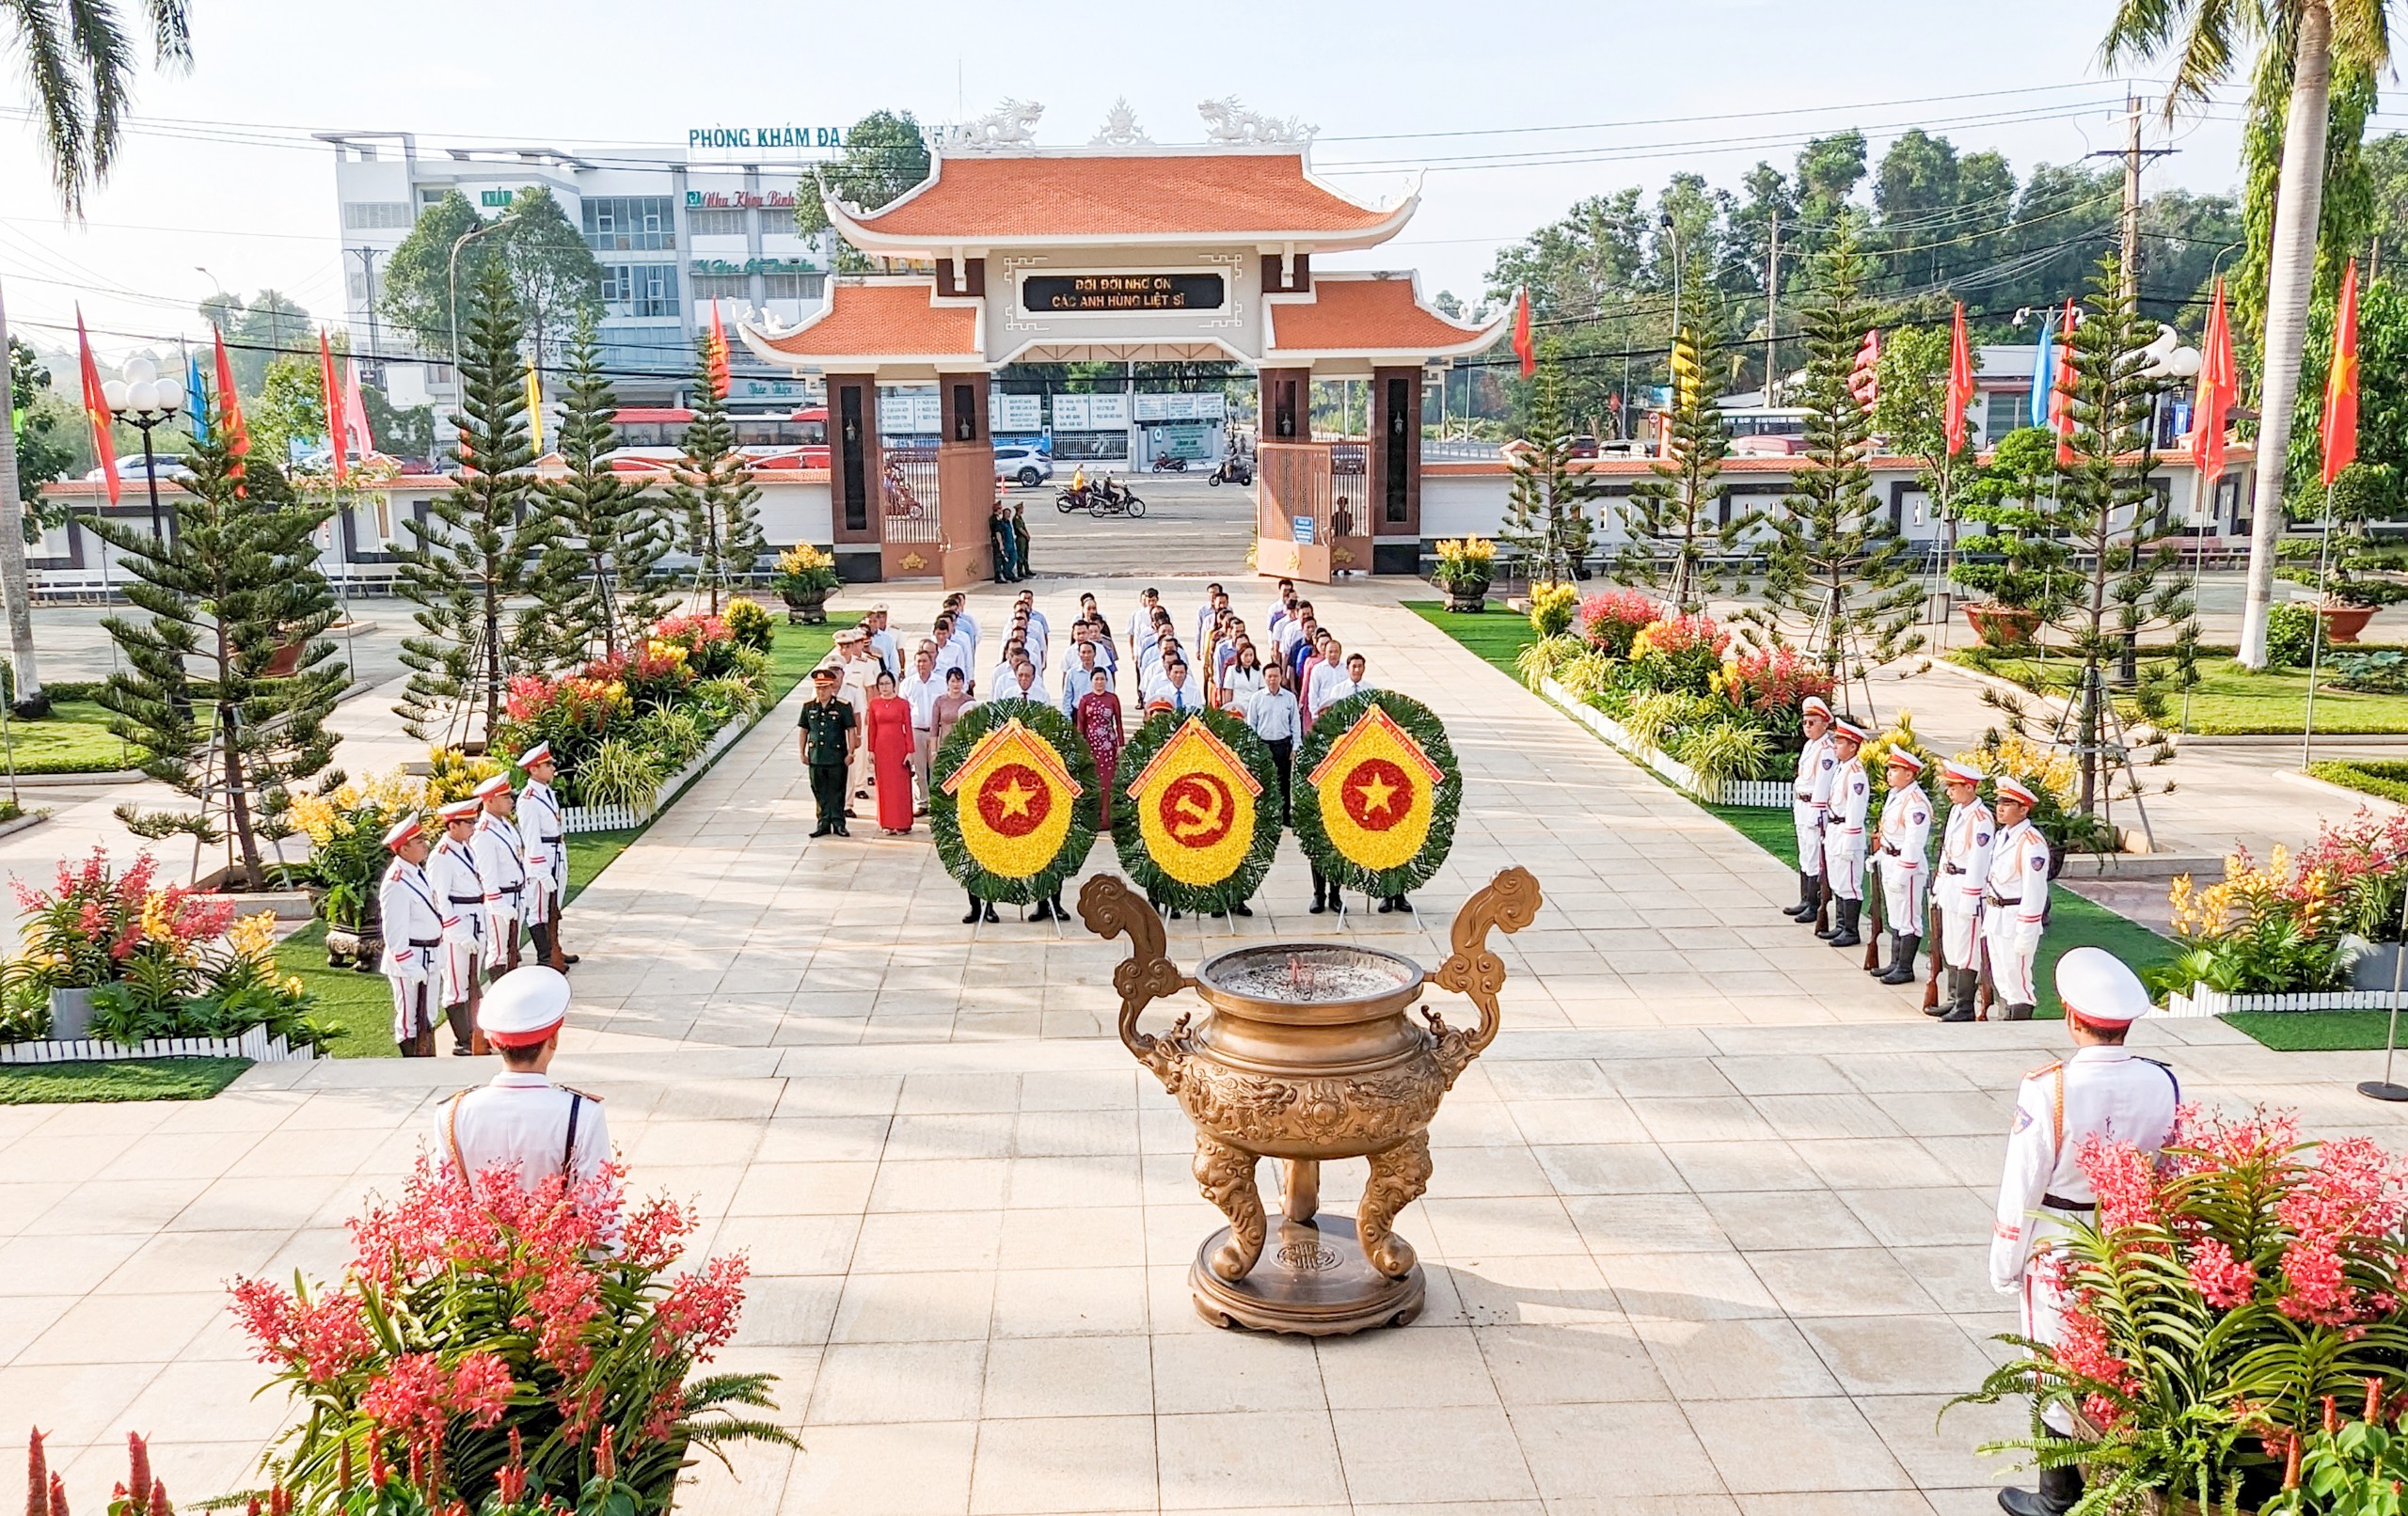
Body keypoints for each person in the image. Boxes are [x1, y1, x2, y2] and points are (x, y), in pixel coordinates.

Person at [1990, 947, 2178, 1516]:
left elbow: (2023, 1183)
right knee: (2121, 1350)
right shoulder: (2163, 1082)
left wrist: (2005, 1261)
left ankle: (2058, 1495)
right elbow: (2172, 1166)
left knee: (2055, 1358)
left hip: (2062, 1235)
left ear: (2072, 1017)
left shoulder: (2050, 1087)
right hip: (2129, 1234)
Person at [435, 966, 613, 1199]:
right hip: (560, 1237)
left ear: (495, 1043)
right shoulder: (583, 1113)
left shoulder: (452, 1112)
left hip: (477, 1237)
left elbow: (446, 1208)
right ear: (554, 1040)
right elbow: (599, 1209)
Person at [1931, 760, 1996, 1024]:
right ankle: (1953, 997)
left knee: (1966, 949)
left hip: (1967, 888)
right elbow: (1948, 850)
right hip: (1950, 884)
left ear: (1970, 787)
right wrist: (1939, 884)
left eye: (1954, 786)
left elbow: (1979, 862)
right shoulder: (1958, 812)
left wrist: (1971, 897)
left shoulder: (1981, 820)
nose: (1949, 792)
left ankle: (1965, 1005)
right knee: (1951, 945)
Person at [1984, 776, 2053, 1021]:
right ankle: (2006, 1024)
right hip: (1996, 915)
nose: (2000, 808)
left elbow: (2035, 891)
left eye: (2008, 803)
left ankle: (2020, 1028)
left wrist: (2027, 929)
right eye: (1999, 802)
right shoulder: (2003, 836)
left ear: (2023, 809)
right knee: (2001, 977)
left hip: (2015, 918)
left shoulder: (2031, 844)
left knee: (2018, 980)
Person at [379, 815, 446, 1058]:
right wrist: (408, 965)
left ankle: (427, 1058)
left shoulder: (417, 873)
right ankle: (412, 1063)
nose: (425, 844)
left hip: (429, 956)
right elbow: (395, 933)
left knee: (428, 1014)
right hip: (412, 960)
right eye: (419, 841)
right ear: (404, 848)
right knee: (409, 1021)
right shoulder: (396, 882)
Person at [428, 798, 490, 1056]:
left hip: (475, 916)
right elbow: (439, 900)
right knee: (456, 985)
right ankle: (463, 1040)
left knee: (472, 981)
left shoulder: (464, 848)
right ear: (452, 826)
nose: (473, 827)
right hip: (459, 926)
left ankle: (475, 1035)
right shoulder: (441, 857)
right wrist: (458, 932)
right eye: (468, 823)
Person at [1868, 750, 1933, 986]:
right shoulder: (1897, 795)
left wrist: (1902, 873)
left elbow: (1914, 843)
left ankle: (1905, 968)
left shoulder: (1915, 804)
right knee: (1895, 915)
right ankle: (1895, 963)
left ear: (1909, 774)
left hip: (1907, 867)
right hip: (1890, 859)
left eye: (1894, 769)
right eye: (1889, 768)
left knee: (1908, 918)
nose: (1889, 773)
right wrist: (1879, 854)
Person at [517, 742, 573, 971]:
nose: (552, 768)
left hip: (556, 853)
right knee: (539, 909)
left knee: (554, 908)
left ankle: (554, 948)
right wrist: (540, 871)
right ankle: (545, 955)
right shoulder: (528, 799)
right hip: (543, 859)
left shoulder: (546, 791)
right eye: (547, 764)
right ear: (533, 769)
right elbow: (531, 839)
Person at [1783, 697, 1838, 924]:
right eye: (1805, 722)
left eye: (1812, 722)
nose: (1807, 727)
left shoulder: (1826, 749)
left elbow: (1823, 783)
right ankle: (1805, 899)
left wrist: (1817, 812)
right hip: (1802, 804)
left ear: (1825, 724)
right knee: (1805, 852)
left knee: (1815, 855)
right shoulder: (1810, 746)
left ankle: (1815, 905)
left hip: (1814, 807)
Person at [1817, 719, 1870, 949]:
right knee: (1838, 881)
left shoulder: (1856, 774)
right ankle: (1840, 925)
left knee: (1849, 883)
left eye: (1840, 742)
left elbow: (1855, 811)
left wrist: (1849, 842)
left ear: (1853, 747)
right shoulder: (1843, 769)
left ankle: (1850, 930)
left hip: (1848, 833)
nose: (1835, 745)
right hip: (1835, 830)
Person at [470, 774, 530, 976]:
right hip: (501, 898)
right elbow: (487, 873)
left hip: (516, 894)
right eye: (505, 797)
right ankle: (500, 995)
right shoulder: (483, 833)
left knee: (512, 948)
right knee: (499, 952)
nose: (510, 801)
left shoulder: (504, 825)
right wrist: (497, 903)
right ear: (489, 801)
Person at [799, 666, 860, 838]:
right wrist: (802, 752)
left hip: (836, 757)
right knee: (819, 791)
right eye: (818, 688)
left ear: (831, 687)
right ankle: (823, 822)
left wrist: (851, 752)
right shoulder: (808, 707)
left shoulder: (842, 706)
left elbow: (850, 730)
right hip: (817, 757)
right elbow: (804, 730)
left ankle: (839, 823)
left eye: (825, 688)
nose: (822, 692)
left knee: (837, 791)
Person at [1246, 659, 1301, 823]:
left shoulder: (1289, 698)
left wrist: (1296, 746)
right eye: (1269, 676)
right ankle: (1265, 816)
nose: (1273, 679)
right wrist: (1254, 747)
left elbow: (1295, 723)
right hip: (1264, 745)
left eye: (1276, 676)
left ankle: (1285, 816)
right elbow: (1251, 724)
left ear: (1281, 677)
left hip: (1283, 745)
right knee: (1264, 781)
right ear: (1265, 678)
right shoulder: (1257, 698)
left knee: (1284, 782)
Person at [1074, 666, 1126, 829]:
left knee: (1107, 780)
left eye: (1102, 679)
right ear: (1091, 681)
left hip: (1108, 746)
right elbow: (1080, 725)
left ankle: (1106, 818)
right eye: (1096, 679)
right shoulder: (1085, 700)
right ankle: (1091, 818)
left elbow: (1118, 723)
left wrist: (1121, 745)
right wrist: (1081, 746)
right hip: (1091, 746)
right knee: (1092, 780)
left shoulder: (1112, 699)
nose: (1099, 682)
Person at [865, 670, 915, 835]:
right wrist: (870, 750)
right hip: (881, 748)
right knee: (884, 786)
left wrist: (910, 751)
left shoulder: (902, 704)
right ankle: (886, 822)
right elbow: (872, 728)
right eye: (881, 684)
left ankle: (902, 823)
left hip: (899, 747)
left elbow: (908, 728)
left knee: (900, 785)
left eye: (887, 683)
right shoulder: (874, 704)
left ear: (894, 684)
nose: (884, 687)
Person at [900, 644, 943, 814]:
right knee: (918, 770)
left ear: (932, 663)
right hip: (916, 730)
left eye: (925, 661)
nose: (921, 665)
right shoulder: (908, 684)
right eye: (918, 662)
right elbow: (903, 710)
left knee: (936, 767)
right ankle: (921, 802)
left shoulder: (941, 682)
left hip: (935, 732)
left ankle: (937, 802)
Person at [1220, 640, 1266, 714]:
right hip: (1237, 708)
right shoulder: (1231, 670)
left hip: (1254, 707)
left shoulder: (1259, 670)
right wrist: (1226, 709)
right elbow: (1228, 692)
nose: (1249, 658)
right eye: (1246, 655)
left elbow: (1262, 690)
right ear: (1240, 656)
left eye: (1251, 655)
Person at [1012, 500, 1032, 579]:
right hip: (1020, 538)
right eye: (1022, 508)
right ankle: (1020, 571)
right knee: (1021, 555)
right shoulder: (1016, 518)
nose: (1023, 510)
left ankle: (1027, 570)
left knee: (1025, 554)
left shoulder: (1020, 517)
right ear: (1019, 509)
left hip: (1024, 538)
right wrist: (1027, 535)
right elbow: (1020, 529)